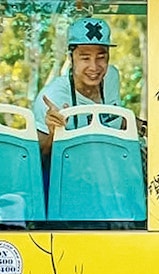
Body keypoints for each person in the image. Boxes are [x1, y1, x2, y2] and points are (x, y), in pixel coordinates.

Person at [33, 17, 124, 180]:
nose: (94, 67)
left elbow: (117, 119)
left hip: (109, 177)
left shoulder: (112, 77)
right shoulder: (52, 97)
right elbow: (38, 163)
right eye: (85, 58)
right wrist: (53, 134)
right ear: (71, 57)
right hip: (67, 181)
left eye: (101, 57)